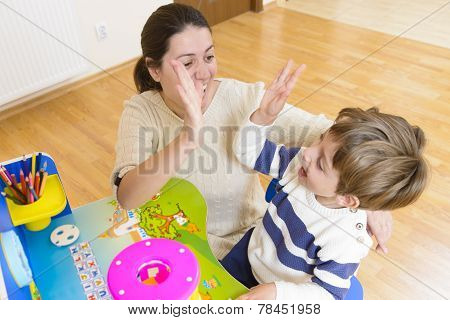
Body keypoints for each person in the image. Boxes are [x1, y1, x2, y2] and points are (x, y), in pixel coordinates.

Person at [111, 3, 392, 262]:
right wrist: (189, 136)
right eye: (187, 63)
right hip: (176, 247)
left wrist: (371, 195)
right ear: (154, 69)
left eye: (209, 56)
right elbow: (128, 197)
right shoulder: (140, 112)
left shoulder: (245, 98)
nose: (203, 73)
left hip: (250, 247)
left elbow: (338, 136)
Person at [221, 62, 428, 299]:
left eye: (321, 163)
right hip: (247, 258)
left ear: (347, 199)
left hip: (286, 294)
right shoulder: (299, 165)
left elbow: (327, 296)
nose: (308, 152)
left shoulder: (346, 241)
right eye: (319, 140)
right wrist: (263, 117)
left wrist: (278, 293)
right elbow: (249, 153)